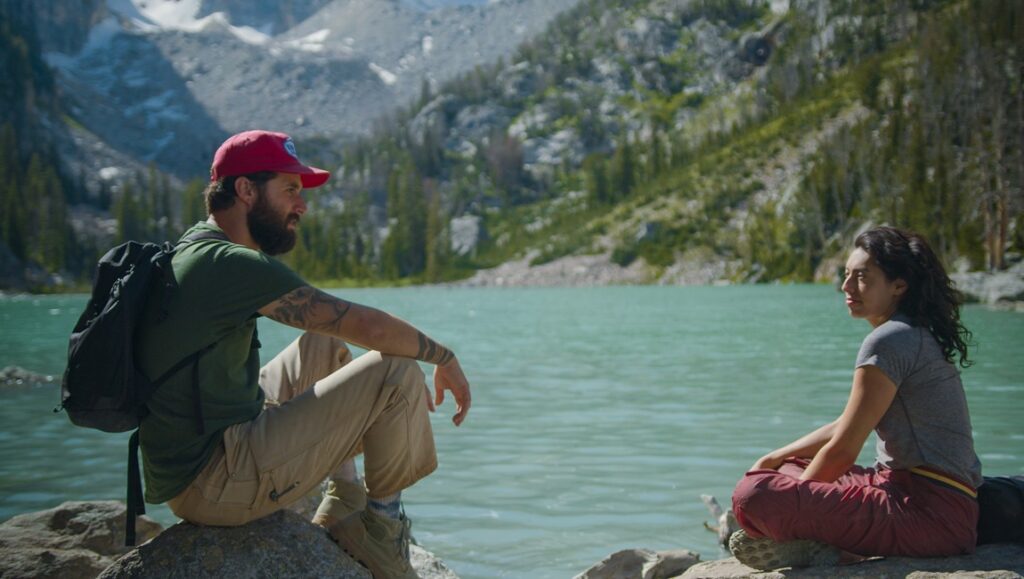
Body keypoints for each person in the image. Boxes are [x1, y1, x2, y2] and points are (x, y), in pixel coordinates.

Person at [135, 130, 472, 579]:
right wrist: (443, 356)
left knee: (323, 342)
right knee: (395, 368)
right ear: (246, 190)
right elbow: (370, 328)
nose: (302, 205)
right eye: (290, 189)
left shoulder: (196, 245)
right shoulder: (230, 264)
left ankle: (344, 498)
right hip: (215, 482)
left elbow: (336, 324)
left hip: (195, 459)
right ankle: (382, 531)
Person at [729, 226, 982, 570]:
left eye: (862, 277)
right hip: (907, 493)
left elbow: (844, 449)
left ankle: (809, 542)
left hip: (930, 515)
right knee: (786, 469)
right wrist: (776, 456)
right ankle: (825, 541)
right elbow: (847, 423)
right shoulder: (910, 333)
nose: (847, 287)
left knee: (754, 497)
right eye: (846, 275)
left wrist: (797, 507)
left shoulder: (890, 341)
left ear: (899, 285)